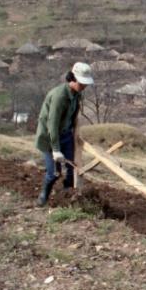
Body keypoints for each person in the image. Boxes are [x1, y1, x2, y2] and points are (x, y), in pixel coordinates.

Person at [34, 62, 94, 206]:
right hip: (49, 138)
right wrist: (55, 149)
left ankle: (68, 198)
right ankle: (43, 196)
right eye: (81, 83)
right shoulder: (59, 96)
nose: (84, 87)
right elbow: (52, 125)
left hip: (66, 136)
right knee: (54, 173)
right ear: (72, 78)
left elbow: (73, 117)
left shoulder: (77, 95)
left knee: (71, 169)